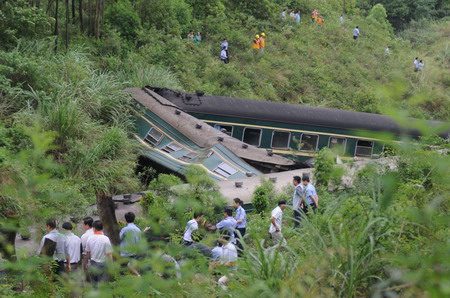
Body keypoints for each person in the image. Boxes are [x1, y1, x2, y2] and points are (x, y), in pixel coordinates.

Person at [85, 220, 113, 288]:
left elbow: (88, 253)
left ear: (94, 228)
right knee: (103, 286)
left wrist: (87, 263)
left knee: (94, 285)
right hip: (103, 265)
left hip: (93, 264)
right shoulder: (106, 239)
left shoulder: (90, 238)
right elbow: (109, 254)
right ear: (102, 228)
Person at [120, 212, 142, 277]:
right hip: (134, 253)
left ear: (125, 220)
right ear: (134, 219)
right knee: (133, 271)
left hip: (125, 253)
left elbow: (120, 238)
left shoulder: (124, 229)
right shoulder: (138, 230)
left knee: (123, 272)